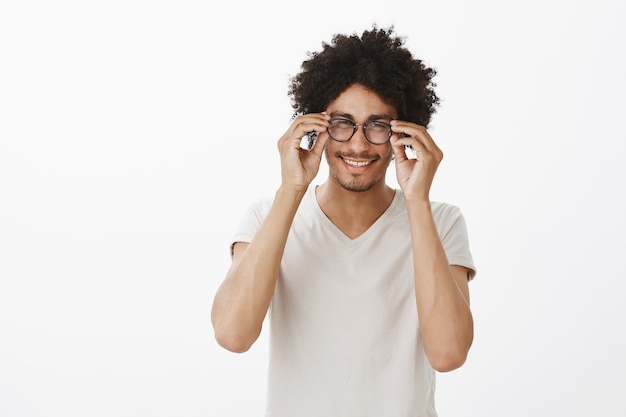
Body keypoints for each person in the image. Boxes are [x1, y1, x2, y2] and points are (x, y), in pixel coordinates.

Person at [211, 26, 476, 417]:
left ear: (403, 133)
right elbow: (232, 335)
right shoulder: (267, 217)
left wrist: (417, 199)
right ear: (317, 127)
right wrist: (291, 190)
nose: (357, 144)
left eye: (377, 125)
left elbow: (449, 353)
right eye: (342, 123)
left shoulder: (441, 220)